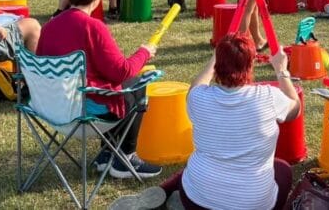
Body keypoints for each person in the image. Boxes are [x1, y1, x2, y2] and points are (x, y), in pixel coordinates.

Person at [123, 34, 300, 209]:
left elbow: (197, 85)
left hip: (196, 201)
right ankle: (164, 194)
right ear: (250, 64)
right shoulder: (268, 97)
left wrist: (216, 57)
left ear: (217, 65)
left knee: (201, 165)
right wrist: (281, 71)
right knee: (283, 170)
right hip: (250, 203)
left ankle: (163, 192)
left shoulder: (198, 97)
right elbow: (296, 108)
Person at [35, 0, 162, 179]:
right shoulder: (93, 27)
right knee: (135, 84)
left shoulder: (49, 26)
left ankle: (107, 155)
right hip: (84, 113)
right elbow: (122, 71)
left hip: (52, 107)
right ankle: (126, 157)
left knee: (110, 85)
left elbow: (43, 65)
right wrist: (144, 52)